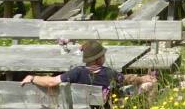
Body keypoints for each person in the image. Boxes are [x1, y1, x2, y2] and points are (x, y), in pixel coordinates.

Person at [21, 40, 156, 97]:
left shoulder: (77, 72)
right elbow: (127, 80)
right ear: (98, 59)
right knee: (149, 85)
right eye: (103, 55)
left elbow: (51, 82)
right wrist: (142, 78)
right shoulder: (109, 73)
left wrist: (33, 77)